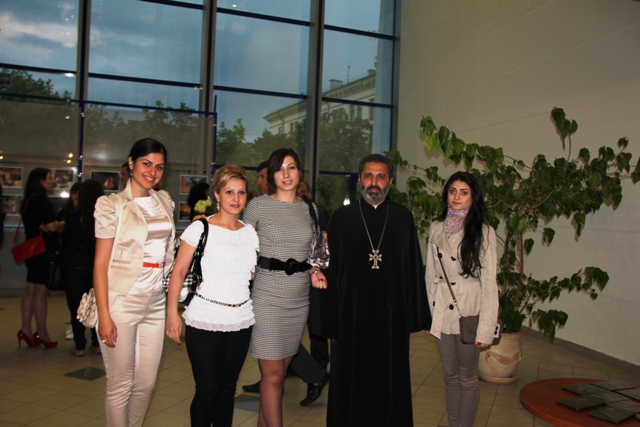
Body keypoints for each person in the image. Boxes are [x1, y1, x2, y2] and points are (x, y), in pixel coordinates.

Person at [324, 154, 430, 426]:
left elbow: (413, 268)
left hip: (391, 320)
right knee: (350, 379)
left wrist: (415, 314)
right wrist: (330, 318)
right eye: (368, 176)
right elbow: (330, 271)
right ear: (360, 179)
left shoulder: (403, 218)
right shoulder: (341, 218)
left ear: (390, 181)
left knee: (390, 381)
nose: (374, 182)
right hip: (350, 318)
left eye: (380, 176)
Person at [166, 165, 259, 427]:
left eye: (241, 192)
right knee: (207, 391)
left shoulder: (250, 232)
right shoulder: (200, 228)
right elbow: (179, 272)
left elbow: (250, 274)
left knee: (227, 390)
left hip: (240, 320)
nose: (236, 198)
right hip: (205, 319)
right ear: (217, 194)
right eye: (229, 192)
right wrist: (172, 313)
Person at [93, 138, 175, 427]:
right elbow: (100, 264)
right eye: (146, 164)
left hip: (155, 301)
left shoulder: (163, 201)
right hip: (121, 300)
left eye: (159, 167)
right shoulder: (112, 205)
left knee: (146, 384)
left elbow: (166, 251)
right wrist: (104, 315)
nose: (152, 172)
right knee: (121, 384)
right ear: (131, 163)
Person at [243, 148, 327, 426]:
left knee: (279, 374)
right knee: (274, 375)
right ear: (272, 175)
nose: (286, 174)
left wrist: (315, 269)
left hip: (298, 299)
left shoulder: (310, 209)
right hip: (267, 295)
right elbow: (241, 246)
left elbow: (314, 253)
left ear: (299, 171)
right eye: (279, 168)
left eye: (291, 167)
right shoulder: (258, 206)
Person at [425, 171, 499, 427]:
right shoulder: (436, 228)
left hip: (469, 311)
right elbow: (430, 275)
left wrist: (486, 329)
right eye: (452, 191)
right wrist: (429, 316)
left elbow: (490, 283)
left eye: (463, 192)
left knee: (467, 379)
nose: (456, 197)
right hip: (442, 312)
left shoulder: (483, 231)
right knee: (450, 377)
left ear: (473, 197)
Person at [17, 167, 65, 349]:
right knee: (41, 292)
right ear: (41, 181)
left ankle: (26, 329)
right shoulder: (41, 200)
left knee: (30, 289)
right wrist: (63, 223)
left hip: (32, 249)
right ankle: (42, 333)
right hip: (42, 251)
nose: (53, 181)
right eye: (50, 178)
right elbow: (52, 226)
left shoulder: (29, 199)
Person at [61, 179, 104, 356]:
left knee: (76, 306)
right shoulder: (102, 217)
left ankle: (79, 345)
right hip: (95, 267)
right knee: (96, 304)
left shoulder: (73, 216)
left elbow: (65, 242)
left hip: (74, 266)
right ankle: (96, 343)